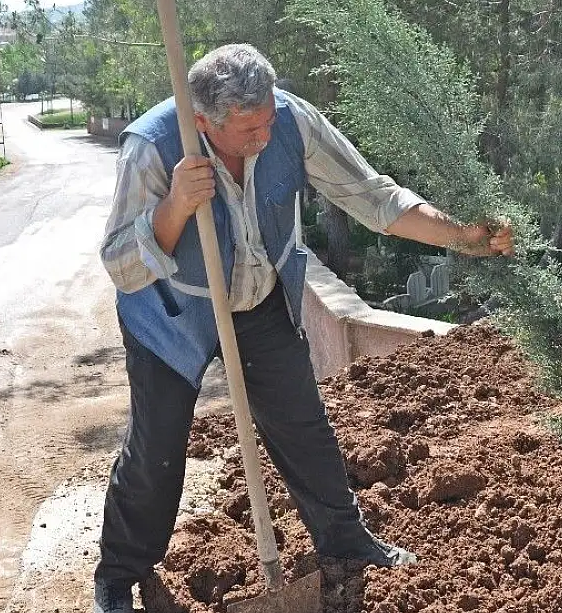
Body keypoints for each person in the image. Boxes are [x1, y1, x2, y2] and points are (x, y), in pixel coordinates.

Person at [94, 44, 513, 613]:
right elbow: (120, 264)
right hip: (171, 313)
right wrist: (172, 210)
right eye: (247, 132)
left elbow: (372, 196)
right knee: (157, 448)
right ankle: (120, 575)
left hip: (260, 302)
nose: (262, 139)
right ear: (202, 122)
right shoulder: (152, 147)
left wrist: (461, 235)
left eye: (266, 122)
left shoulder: (291, 120)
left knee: (303, 426)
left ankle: (346, 542)